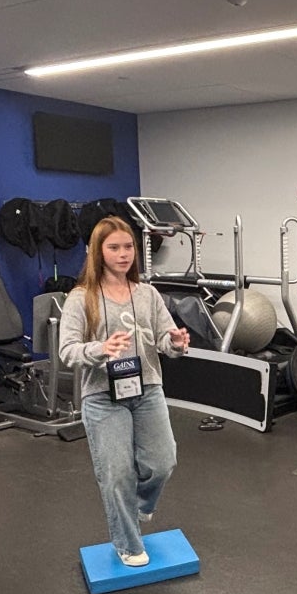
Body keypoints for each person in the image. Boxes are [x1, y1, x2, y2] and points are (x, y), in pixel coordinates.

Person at [60, 216, 190, 567]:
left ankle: (140, 506)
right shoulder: (81, 298)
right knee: (117, 474)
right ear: (97, 252)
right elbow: (67, 350)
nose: (123, 254)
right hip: (102, 396)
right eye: (114, 247)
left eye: (128, 246)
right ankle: (128, 543)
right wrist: (101, 349)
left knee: (163, 463)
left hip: (146, 388)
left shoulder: (147, 294)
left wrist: (176, 342)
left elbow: (165, 339)